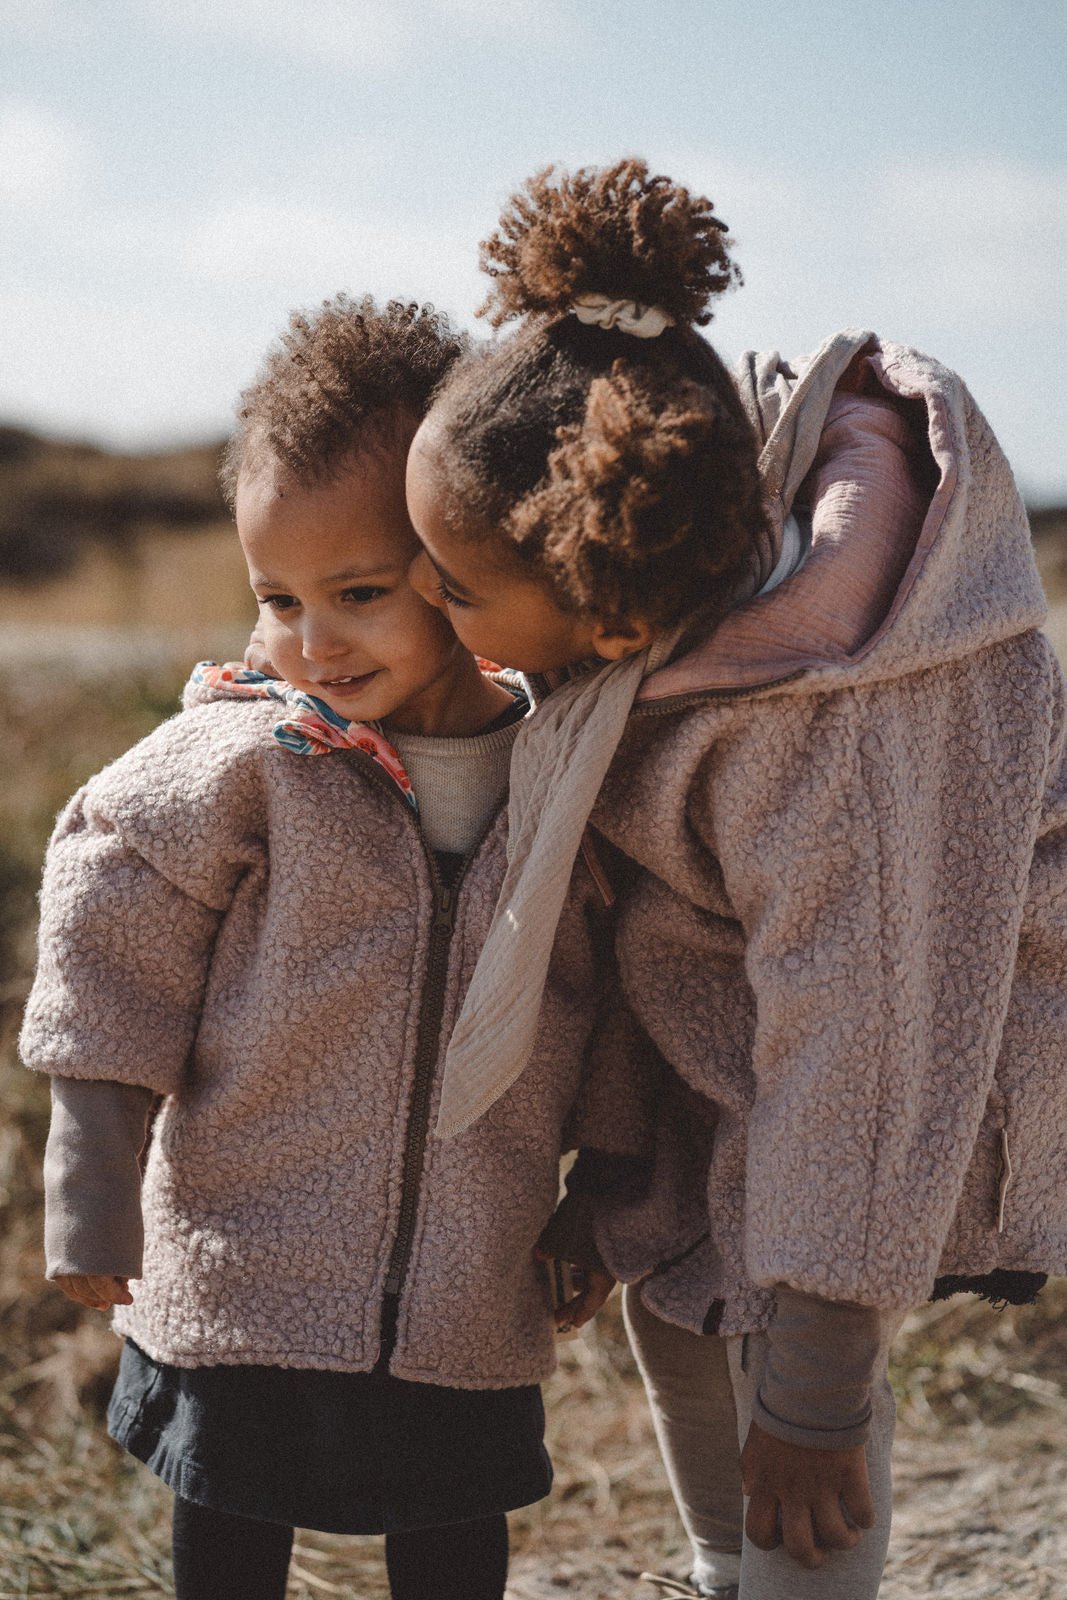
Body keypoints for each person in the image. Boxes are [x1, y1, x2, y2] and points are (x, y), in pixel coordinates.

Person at [402, 160, 1067, 1599]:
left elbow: (875, 1040)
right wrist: (622, 1166)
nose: (438, 619)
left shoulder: (824, 730)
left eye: (456, 588)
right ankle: (732, 1565)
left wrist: (819, 1389)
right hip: (743, 1067)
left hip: (902, 1093)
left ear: (601, 586)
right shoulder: (668, 638)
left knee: (790, 1428)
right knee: (685, 1307)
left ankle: (794, 1553)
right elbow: (655, 929)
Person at [18, 293, 643, 1600]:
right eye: (279, 597)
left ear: (465, 553)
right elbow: (111, 924)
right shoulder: (247, 758)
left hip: (472, 1273)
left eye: (359, 593)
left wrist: (611, 1176)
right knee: (232, 1516)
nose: (312, 640)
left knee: (458, 1517)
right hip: (249, 1264)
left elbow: (607, 987)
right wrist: (89, 1168)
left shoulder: (562, 774)